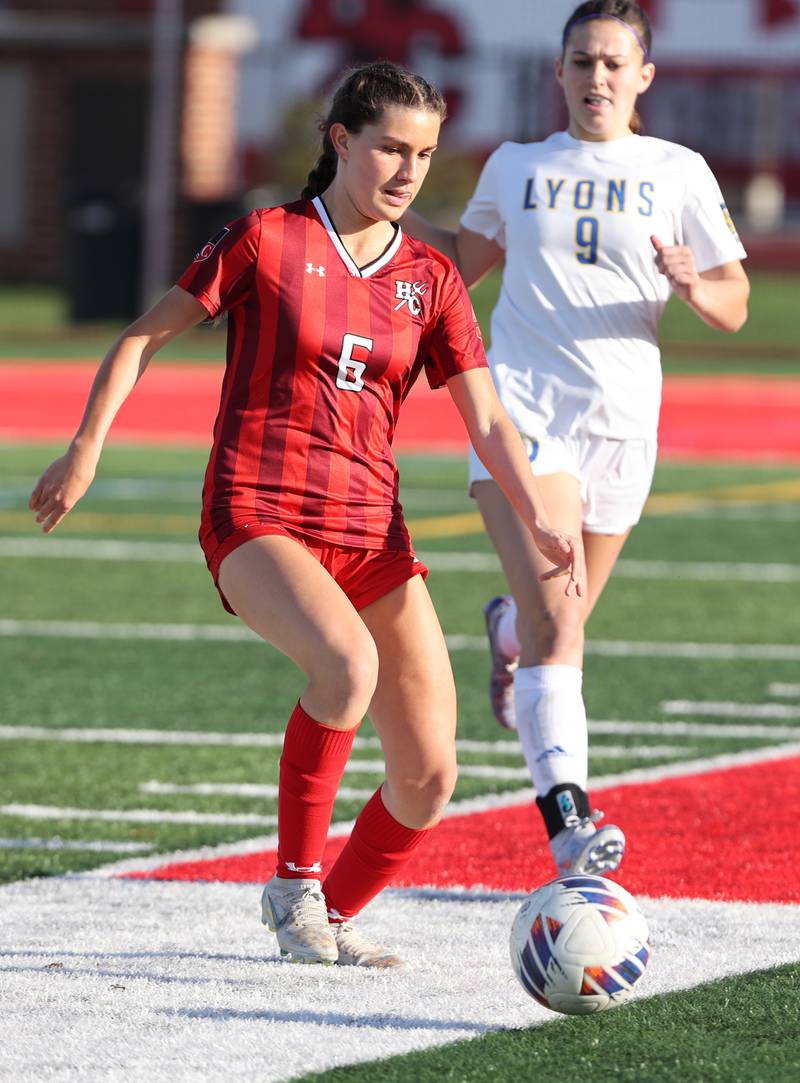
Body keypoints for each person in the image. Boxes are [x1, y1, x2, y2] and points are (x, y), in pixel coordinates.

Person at [29, 61, 584, 968]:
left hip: (373, 533)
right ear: (340, 141)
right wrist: (86, 446)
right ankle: (293, 884)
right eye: (391, 149)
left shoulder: (432, 278)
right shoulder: (267, 239)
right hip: (258, 514)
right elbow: (142, 336)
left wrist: (534, 514)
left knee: (430, 773)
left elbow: (485, 416)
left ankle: (323, 913)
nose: (408, 171)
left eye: (425, 155)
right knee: (345, 664)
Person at [402, 0, 749, 879]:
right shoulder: (516, 165)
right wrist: (383, 209)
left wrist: (693, 284)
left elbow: (734, 303)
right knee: (564, 624)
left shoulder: (678, 170)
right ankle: (569, 820)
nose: (596, 77)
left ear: (643, 76)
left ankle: (504, 625)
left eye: (612, 63)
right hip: (521, 412)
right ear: (557, 74)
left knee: (558, 618)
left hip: (624, 422)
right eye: (581, 62)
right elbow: (463, 267)